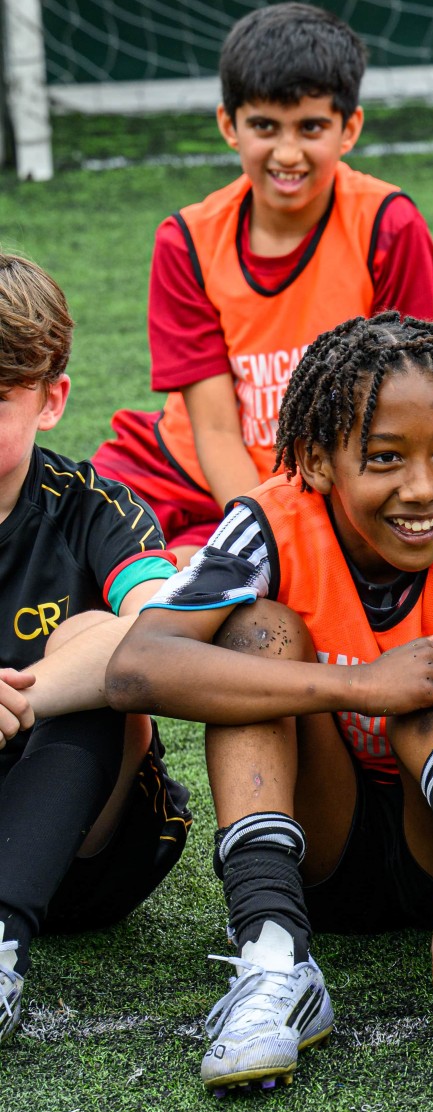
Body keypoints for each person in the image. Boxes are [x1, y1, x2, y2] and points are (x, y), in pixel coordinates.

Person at [107, 314, 433, 1110]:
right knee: (256, 634)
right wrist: (359, 685)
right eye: (385, 458)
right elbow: (137, 666)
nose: (423, 487)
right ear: (317, 459)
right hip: (322, 847)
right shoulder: (269, 518)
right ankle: (275, 960)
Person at [90, 4, 433, 561]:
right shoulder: (188, 240)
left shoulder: (388, 227)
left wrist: (306, 529)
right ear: (230, 125)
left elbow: (400, 404)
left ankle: (196, 560)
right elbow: (215, 430)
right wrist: (260, 533)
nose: (287, 153)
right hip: (187, 471)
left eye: (311, 127)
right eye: (264, 126)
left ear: (349, 128)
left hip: (328, 476)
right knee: (84, 537)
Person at [0, 251, 189, 1047]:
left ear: (51, 400)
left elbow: (166, 626)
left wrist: (27, 695)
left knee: (104, 651)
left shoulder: (92, 509)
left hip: (92, 852)